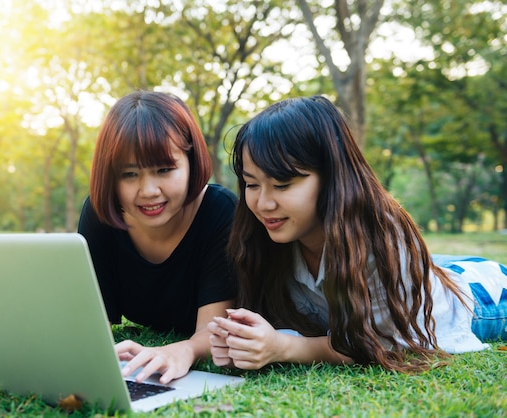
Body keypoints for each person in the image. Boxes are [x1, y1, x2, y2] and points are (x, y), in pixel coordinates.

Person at [208, 95, 507, 372]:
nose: (264, 203)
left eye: (283, 184)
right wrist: (241, 341)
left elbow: (378, 343)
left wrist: (283, 347)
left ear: (332, 177)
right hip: (433, 271)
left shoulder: (379, 237)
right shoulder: (267, 236)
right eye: (252, 184)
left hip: (482, 299)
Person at [78, 91, 237, 384]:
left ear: (191, 162)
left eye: (164, 169)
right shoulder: (101, 214)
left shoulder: (219, 211)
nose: (149, 190)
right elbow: (92, 321)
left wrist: (183, 351)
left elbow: (213, 330)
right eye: (129, 174)